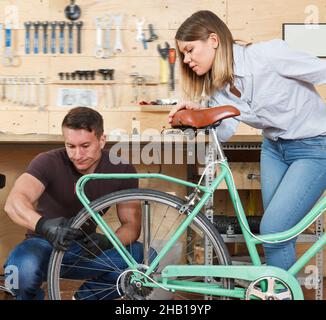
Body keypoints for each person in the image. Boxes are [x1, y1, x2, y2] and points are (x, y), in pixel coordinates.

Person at [169, 10, 326, 271]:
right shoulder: (218, 88)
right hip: (274, 149)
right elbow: (224, 132)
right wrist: (199, 112)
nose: (186, 60)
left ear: (213, 40)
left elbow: (323, 72)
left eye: (189, 50)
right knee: (277, 235)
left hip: (315, 147)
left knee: (274, 228)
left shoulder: (269, 55)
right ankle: (279, 292)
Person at [4, 107, 146, 300]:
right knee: (19, 270)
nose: (77, 154)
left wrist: (107, 241)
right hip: (44, 244)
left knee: (143, 256)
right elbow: (14, 203)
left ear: (102, 140)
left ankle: (84, 298)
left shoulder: (122, 169)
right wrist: (44, 226)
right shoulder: (47, 161)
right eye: (71, 146)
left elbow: (132, 226)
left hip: (87, 249)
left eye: (85, 146)